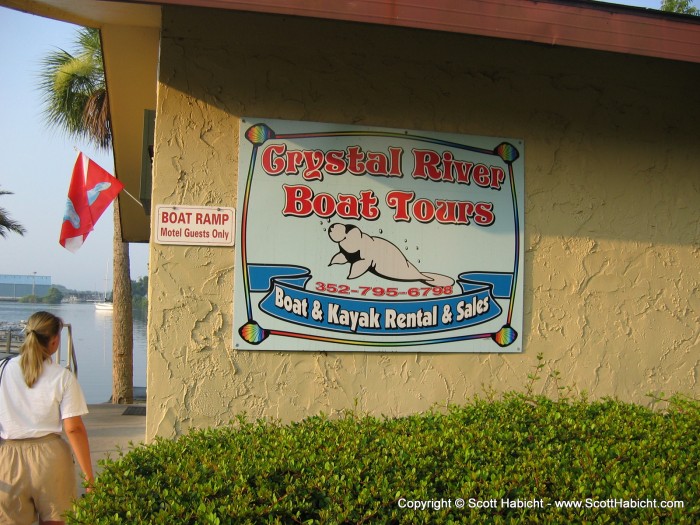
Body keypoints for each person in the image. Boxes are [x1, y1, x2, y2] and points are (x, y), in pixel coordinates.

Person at [0, 311, 94, 525]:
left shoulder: (3, 369)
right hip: (50, 459)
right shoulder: (63, 377)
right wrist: (89, 477)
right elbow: (73, 429)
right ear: (54, 341)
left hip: (8, 458)